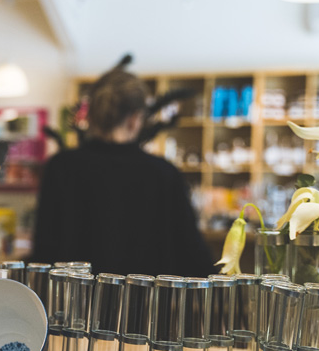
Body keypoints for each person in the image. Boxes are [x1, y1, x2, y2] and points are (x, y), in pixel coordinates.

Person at [32, 61, 215, 277]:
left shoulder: (61, 168)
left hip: (75, 296)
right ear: (135, 119)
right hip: (147, 298)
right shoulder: (164, 174)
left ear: (90, 116)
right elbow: (193, 255)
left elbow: (43, 250)